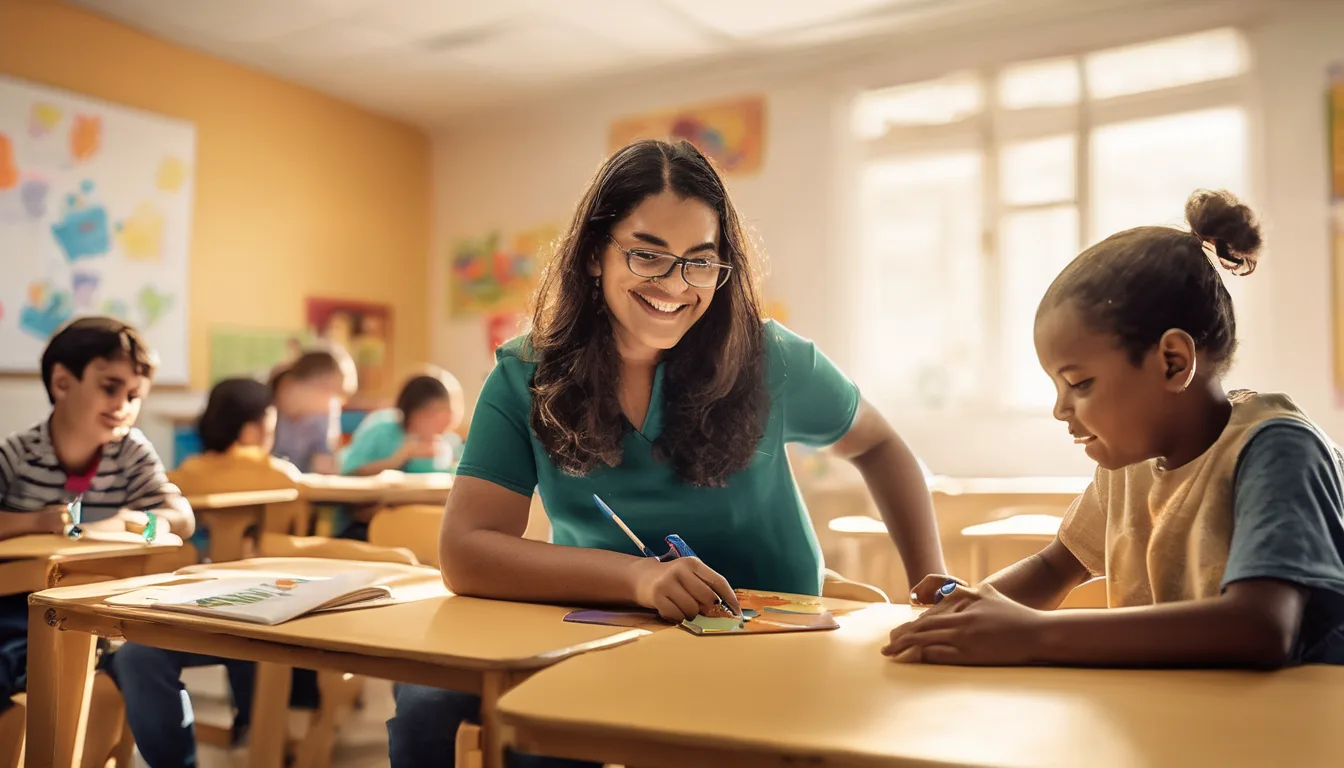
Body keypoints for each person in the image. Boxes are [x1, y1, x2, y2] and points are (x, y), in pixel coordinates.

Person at [387, 139, 947, 767]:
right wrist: (638, 577)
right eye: (648, 254)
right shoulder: (526, 374)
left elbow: (880, 444)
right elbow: (466, 551)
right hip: (603, 627)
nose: (674, 285)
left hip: (761, 639)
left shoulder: (769, 358)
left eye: (699, 262)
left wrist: (934, 584)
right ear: (595, 254)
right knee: (440, 709)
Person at [886, 190, 1344, 668]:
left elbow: (1260, 628)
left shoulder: (1276, 450)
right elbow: (1053, 567)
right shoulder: (1132, 462)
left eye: (1079, 383)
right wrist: (969, 610)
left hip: (1288, 731)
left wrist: (1034, 636)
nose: (1061, 409)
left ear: (1173, 362)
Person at [0, 317, 193, 712]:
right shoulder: (18, 454)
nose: (123, 405)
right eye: (110, 387)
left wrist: (141, 521)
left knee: (148, 670)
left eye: (135, 395)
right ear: (62, 383)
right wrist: (36, 522)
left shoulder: (131, 452)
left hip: (108, 608)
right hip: (21, 607)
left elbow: (181, 516)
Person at [107, 377, 293, 764]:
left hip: (189, 597)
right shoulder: (278, 475)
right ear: (252, 430)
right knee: (258, 629)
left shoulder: (185, 474)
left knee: (141, 656)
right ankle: (264, 726)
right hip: (266, 601)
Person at [341, 367, 466, 477]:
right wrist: (396, 460)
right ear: (411, 413)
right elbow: (349, 471)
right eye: (430, 413)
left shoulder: (448, 443)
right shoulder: (381, 428)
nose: (442, 422)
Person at [269, 346, 356, 474]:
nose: (338, 405)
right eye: (334, 395)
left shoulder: (322, 418)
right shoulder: (261, 406)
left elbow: (324, 468)